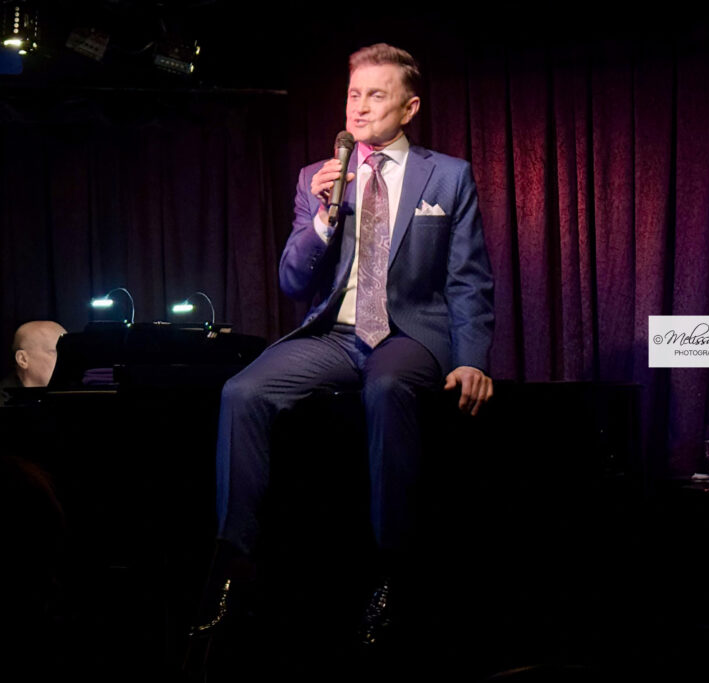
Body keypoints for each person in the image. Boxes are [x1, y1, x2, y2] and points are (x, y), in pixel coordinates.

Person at [189, 43, 495, 650]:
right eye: (354, 94)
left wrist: (471, 360)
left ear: (409, 108)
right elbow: (292, 281)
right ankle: (233, 566)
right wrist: (322, 220)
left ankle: (392, 572)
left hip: (409, 334)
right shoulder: (318, 176)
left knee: (387, 386)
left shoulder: (447, 175)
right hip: (335, 335)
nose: (359, 106)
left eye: (376, 95)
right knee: (242, 391)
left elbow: (468, 279)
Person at [0, 320, 67, 408]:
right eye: (56, 352)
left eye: (68, 351)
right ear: (23, 359)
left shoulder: (72, 401)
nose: (68, 359)